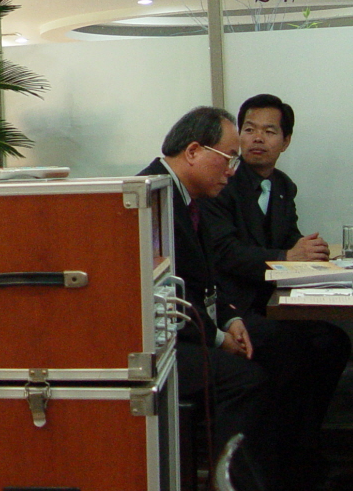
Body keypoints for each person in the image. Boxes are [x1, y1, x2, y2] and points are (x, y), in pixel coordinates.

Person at [200, 94, 350, 481]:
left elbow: (288, 240)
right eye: (249, 129)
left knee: (333, 341)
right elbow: (226, 252)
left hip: (268, 303)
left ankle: (302, 447)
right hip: (232, 308)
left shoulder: (283, 187)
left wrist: (312, 253)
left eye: (269, 131)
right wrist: (288, 254)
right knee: (293, 347)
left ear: (286, 141)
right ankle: (281, 461)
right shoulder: (221, 183)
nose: (257, 138)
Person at [139, 107, 279, 486]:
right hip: (154, 345)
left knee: (281, 350)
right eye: (228, 158)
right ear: (193, 151)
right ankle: (228, 480)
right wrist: (218, 339)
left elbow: (206, 275)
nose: (232, 171)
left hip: (183, 330)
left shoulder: (184, 197)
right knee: (245, 378)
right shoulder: (149, 199)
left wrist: (230, 319)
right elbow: (162, 292)